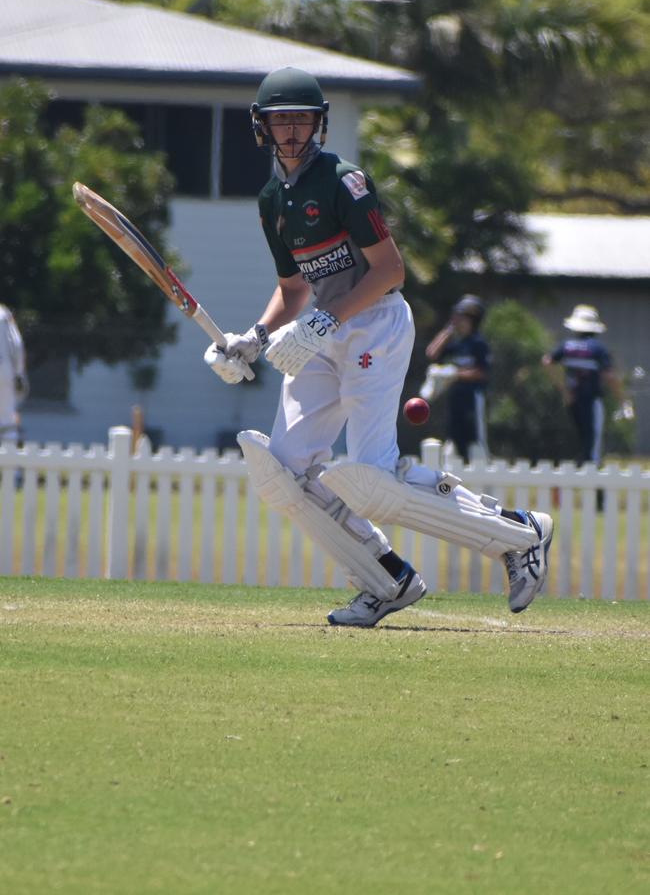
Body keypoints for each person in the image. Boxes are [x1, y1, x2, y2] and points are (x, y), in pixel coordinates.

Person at [204, 67, 553, 625]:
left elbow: (390, 270)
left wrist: (325, 320)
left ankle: (518, 532)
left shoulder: (343, 181)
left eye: (301, 119)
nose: (291, 131)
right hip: (321, 328)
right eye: (280, 120)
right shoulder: (272, 199)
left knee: (371, 480)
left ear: (319, 124)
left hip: (374, 324)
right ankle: (384, 579)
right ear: (262, 128)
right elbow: (293, 287)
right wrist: (255, 337)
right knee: (285, 473)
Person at [542, 304, 631, 466]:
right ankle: (593, 482)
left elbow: (547, 362)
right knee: (592, 444)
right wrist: (623, 400)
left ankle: (578, 471)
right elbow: (609, 376)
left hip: (572, 400)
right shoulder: (597, 348)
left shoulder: (566, 346)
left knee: (580, 440)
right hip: (591, 401)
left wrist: (564, 390)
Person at [422, 294, 490, 463]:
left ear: (471, 318)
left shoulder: (478, 344)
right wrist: (448, 330)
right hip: (455, 399)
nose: (456, 319)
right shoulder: (457, 344)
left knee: (475, 441)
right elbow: (432, 353)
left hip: (472, 399)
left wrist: (455, 374)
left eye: (460, 316)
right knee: (454, 440)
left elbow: (482, 372)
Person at [0, 303, 28, 443]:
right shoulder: (4, 315)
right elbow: (17, 345)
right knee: (7, 419)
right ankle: (11, 461)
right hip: (4, 370)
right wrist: (18, 373)